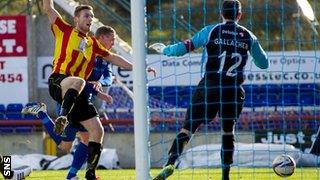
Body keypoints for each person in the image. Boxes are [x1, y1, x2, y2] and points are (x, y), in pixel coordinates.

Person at [152, 1, 269, 180]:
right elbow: (264, 63)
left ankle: (170, 163)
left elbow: (185, 47)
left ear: (221, 14)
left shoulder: (211, 30)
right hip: (233, 90)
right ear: (239, 15)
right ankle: (225, 175)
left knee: (188, 128)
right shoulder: (248, 35)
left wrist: (166, 50)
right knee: (228, 131)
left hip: (209, 87)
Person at [43, 1, 133, 179]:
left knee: (96, 131)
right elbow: (48, 9)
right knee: (78, 81)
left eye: (92, 16)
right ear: (76, 18)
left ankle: (89, 173)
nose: (90, 19)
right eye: (86, 15)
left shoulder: (92, 43)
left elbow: (113, 57)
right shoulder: (64, 29)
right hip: (59, 82)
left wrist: (139, 67)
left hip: (78, 94)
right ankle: (61, 116)